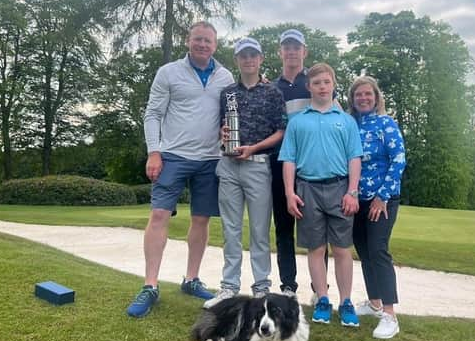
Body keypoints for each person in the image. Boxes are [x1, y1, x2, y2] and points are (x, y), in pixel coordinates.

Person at [126, 21, 235, 318]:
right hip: (172, 155)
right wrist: (154, 151)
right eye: (198, 39)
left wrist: (226, 133)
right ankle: (150, 285)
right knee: (159, 214)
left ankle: (191, 279)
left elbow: (227, 117)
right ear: (188, 41)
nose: (203, 44)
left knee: (201, 219)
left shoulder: (225, 76)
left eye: (208, 41)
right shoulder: (169, 72)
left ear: (215, 45)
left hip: (210, 159)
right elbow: (153, 114)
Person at [203, 37, 286, 309]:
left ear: (261, 59)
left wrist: (254, 148)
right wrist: (222, 133)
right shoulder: (227, 93)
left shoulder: (272, 92)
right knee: (230, 229)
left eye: (253, 55)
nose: (248, 59)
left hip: (258, 165)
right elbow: (220, 127)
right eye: (243, 55)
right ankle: (229, 286)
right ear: (237, 59)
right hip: (228, 165)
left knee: (260, 230)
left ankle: (261, 288)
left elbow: (281, 131)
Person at [278, 63, 363, 327]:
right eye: (317, 83)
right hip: (307, 188)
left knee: (341, 249)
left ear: (333, 84)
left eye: (326, 82)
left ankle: (346, 301)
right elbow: (289, 159)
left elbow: (354, 158)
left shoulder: (346, 120)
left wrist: (352, 191)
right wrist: (290, 193)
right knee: (315, 249)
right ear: (309, 87)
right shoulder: (298, 121)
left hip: (340, 188)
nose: (322, 87)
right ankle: (323, 298)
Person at [271, 29, 329, 296]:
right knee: (284, 229)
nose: (292, 51)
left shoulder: (315, 82)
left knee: (317, 232)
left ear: (304, 51)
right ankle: (288, 286)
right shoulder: (272, 87)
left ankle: (320, 288)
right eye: (287, 47)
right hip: (279, 166)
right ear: (280, 52)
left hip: (311, 168)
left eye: (297, 47)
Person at [348, 76, 406, 339]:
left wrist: (382, 196)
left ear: (376, 97)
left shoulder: (386, 123)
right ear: (353, 98)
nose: (363, 98)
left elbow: (398, 160)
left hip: (381, 200)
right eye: (358, 94)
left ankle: (390, 314)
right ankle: (374, 302)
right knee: (364, 251)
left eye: (367, 94)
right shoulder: (351, 124)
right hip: (356, 199)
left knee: (378, 251)